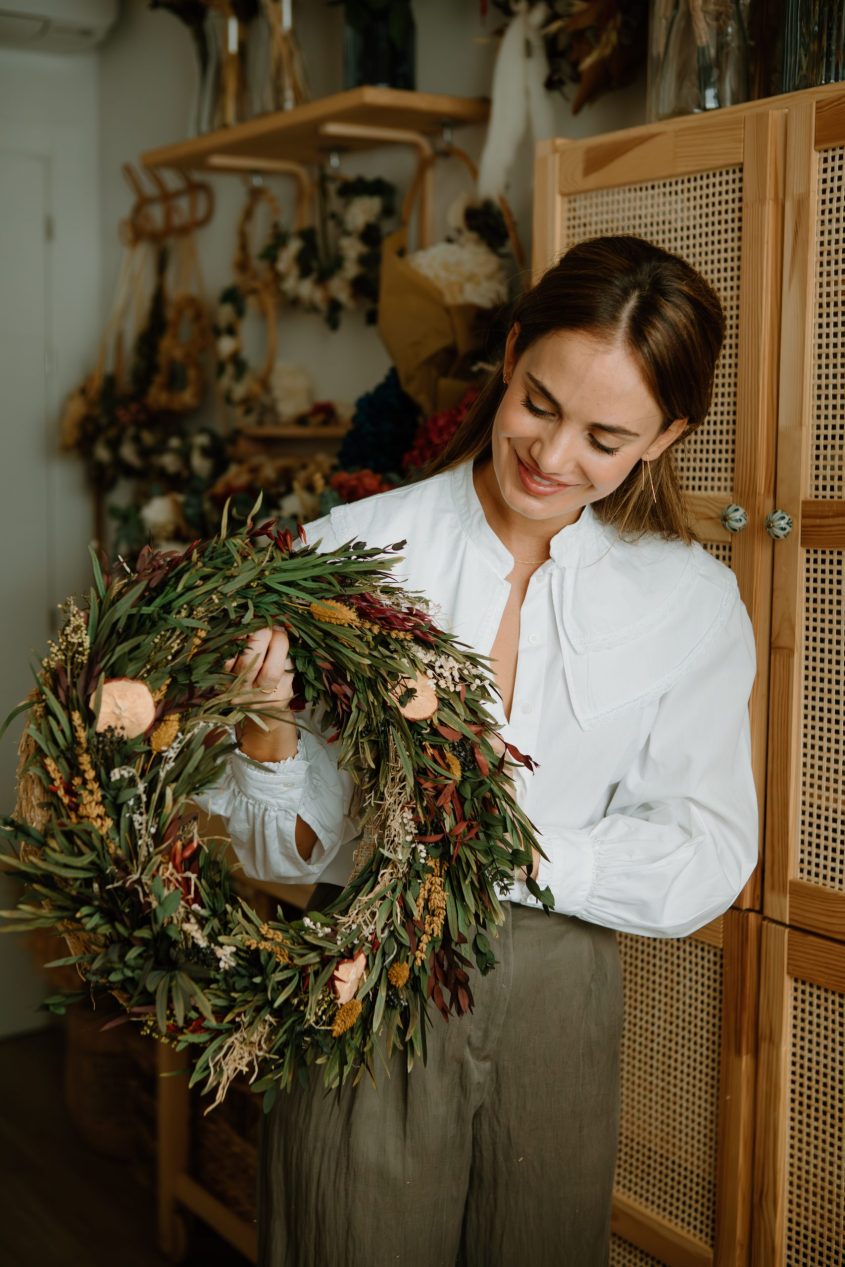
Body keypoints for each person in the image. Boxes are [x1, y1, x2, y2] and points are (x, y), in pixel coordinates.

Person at [199, 235, 758, 1267]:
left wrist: (517, 856)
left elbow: (708, 848)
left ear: (665, 435)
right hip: (362, 977)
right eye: (539, 403)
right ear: (509, 356)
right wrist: (264, 725)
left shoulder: (689, 602)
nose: (550, 457)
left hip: (561, 991)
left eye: (604, 436)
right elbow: (279, 857)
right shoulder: (349, 551)